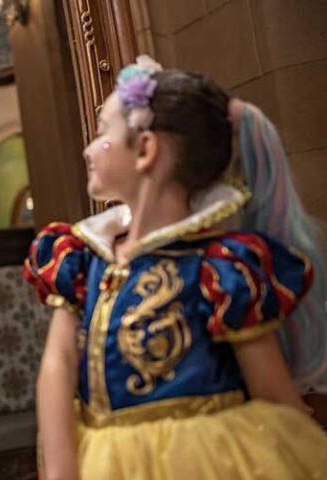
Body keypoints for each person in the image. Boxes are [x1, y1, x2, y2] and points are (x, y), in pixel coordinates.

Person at [24, 55, 327, 479]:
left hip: (210, 461)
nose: (88, 149)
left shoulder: (222, 268)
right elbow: (57, 361)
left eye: (101, 133)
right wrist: (60, 470)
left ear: (146, 149)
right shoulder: (82, 257)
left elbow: (272, 393)